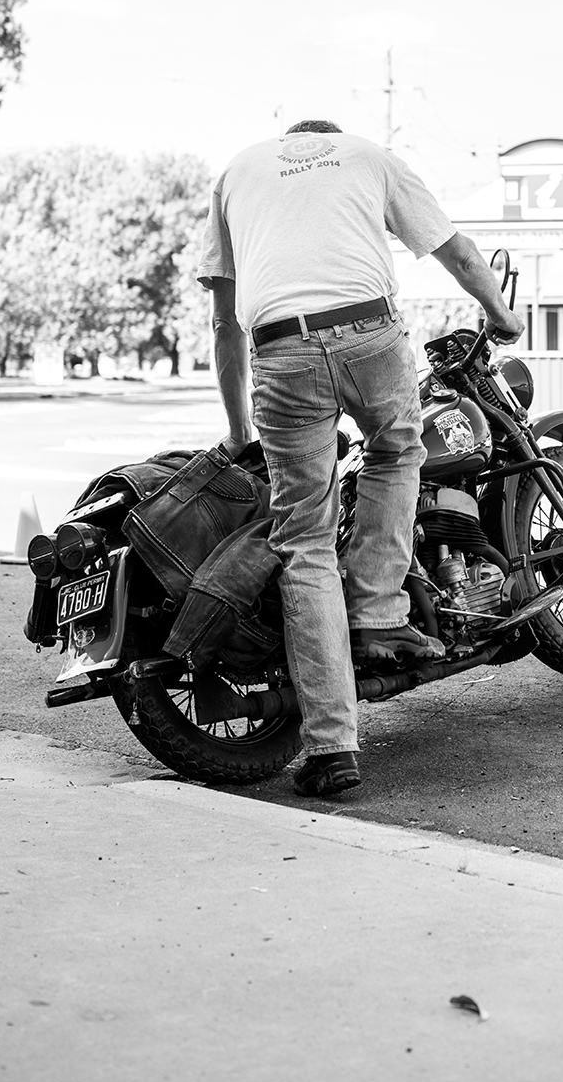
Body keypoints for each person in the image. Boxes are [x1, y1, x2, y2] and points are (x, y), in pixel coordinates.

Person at [199, 119, 523, 800]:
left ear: (286, 143)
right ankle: (378, 608)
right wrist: (499, 312)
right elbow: (457, 251)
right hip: (371, 335)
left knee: (305, 544)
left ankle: (331, 749)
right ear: (330, 140)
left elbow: (224, 323)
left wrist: (236, 429)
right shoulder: (369, 156)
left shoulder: (236, 172)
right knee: (396, 449)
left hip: (280, 351)